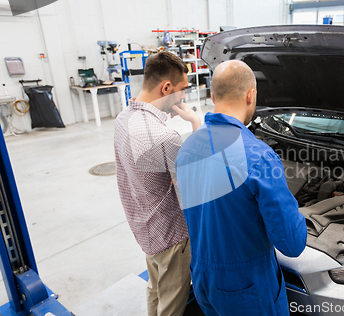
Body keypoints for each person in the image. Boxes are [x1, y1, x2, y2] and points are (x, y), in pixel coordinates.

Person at [175, 60, 307, 315]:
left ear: (212, 95)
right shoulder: (259, 157)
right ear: (251, 95)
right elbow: (292, 243)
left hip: (202, 279)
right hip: (247, 287)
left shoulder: (187, 148)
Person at [114, 51, 201, 316]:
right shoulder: (165, 137)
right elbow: (195, 185)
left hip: (144, 228)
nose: (184, 97)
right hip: (172, 237)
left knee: (154, 289)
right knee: (172, 305)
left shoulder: (122, 119)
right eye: (182, 90)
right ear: (166, 87)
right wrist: (197, 124)